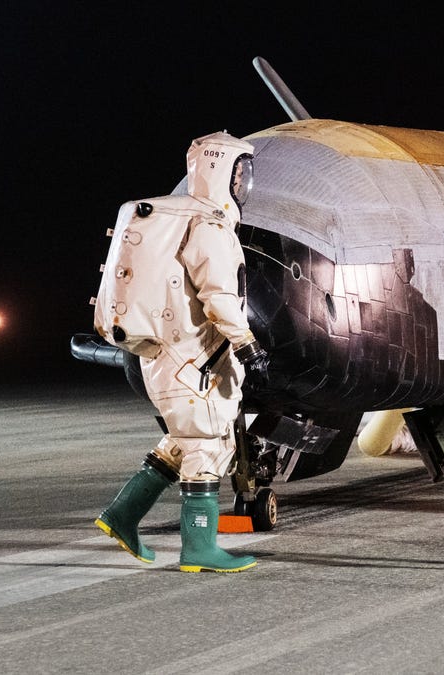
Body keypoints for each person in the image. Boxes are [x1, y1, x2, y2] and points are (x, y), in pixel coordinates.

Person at [92, 131, 269, 573]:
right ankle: (199, 549)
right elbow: (220, 298)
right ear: (220, 173)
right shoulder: (208, 227)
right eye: (239, 174)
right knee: (207, 446)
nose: (244, 184)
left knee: (182, 442)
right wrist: (248, 345)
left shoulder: (183, 220)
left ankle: (122, 516)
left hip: (172, 358)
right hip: (193, 361)